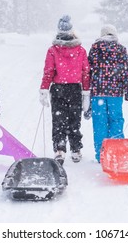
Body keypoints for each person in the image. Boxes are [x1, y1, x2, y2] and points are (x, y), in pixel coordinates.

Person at [39, 15, 90, 165]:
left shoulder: (53, 50)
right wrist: (86, 92)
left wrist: (44, 89)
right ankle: (75, 149)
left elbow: (49, 71)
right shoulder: (80, 50)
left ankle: (59, 149)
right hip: (75, 88)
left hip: (58, 89)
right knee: (74, 120)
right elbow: (85, 72)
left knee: (58, 120)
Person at [87, 24, 128, 163]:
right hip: (116, 92)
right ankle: (116, 152)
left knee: (99, 123)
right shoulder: (121, 49)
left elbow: (88, 70)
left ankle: (101, 154)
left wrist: (86, 90)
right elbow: (127, 71)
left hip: (98, 92)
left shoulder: (95, 49)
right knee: (116, 121)